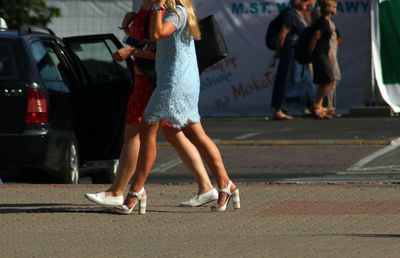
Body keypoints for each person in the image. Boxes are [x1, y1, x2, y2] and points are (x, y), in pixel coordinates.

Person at [85, 0, 218, 208]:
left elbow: (155, 40)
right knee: (177, 133)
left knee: (140, 132)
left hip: (159, 81)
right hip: (158, 79)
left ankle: (124, 191)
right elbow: (149, 39)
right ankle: (213, 186)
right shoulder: (153, 8)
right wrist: (132, 23)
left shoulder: (167, 10)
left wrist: (132, 51)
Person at [116, 0, 240, 215]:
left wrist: (156, 8)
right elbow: (155, 48)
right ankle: (226, 185)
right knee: (196, 133)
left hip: (174, 82)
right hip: (182, 80)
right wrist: (131, 38)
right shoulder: (173, 14)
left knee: (148, 129)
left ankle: (136, 192)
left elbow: (157, 34)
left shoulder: (176, 14)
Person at [270, 0, 315, 120]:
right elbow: (282, 34)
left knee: (305, 79)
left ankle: (309, 106)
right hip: (290, 50)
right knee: (285, 79)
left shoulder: (302, 15)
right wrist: (278, 52)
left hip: (298, 52)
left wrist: (307, 13)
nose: (307, 3)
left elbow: (308, 29)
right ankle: (279, 109)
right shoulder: (290, 14)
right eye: (304, 1)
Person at [308, 0, 339, 119]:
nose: (336, 9)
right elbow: (315, 38)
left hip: (324, 53)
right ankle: (317, 104)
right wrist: (310, 53)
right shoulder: (322, 22)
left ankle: (319, 106)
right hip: (320, 54)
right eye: (335, 7)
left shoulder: (327, 21)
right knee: (330, 80)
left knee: (325, 81)